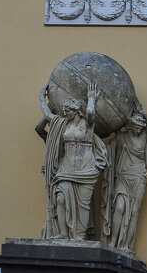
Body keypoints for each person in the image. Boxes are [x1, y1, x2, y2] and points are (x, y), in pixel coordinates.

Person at [36, 81, 108, 240]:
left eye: (68, 111)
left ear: (76, 111)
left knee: (83, 206)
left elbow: (91, 114)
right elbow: (48, 115)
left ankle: (79, 236)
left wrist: (91, 99)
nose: (66, 113)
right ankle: (63, 233)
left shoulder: (87, 124)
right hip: (66, 168)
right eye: (64, 111)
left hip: (86, 168)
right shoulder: (63, 124)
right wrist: (41, 98)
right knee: (60, 199)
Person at [102, 106, 147, 251]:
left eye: (140, 127)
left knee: (134, 212)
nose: (138, 130)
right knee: (119, 208)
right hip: (123, 176)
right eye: (136, 127)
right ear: (131, 125)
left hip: (139, 177)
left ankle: (126, 245)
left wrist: (142, 111)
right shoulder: (122, 137)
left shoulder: (144, 135)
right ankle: (113, 242)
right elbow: (109, 144)